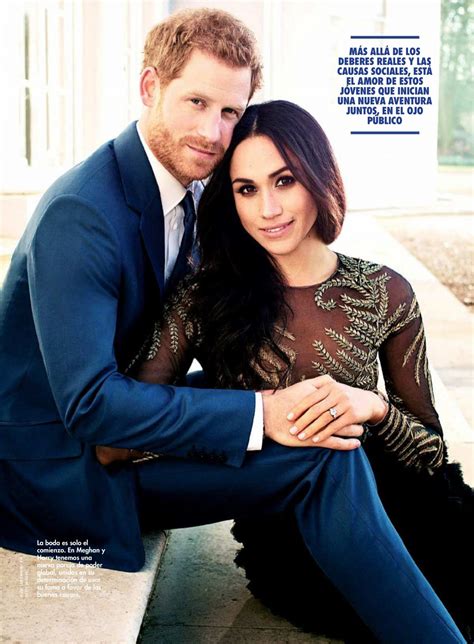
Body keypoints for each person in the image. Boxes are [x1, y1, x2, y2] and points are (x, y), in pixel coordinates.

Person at [99, 100, 471, 642]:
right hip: (292, 534)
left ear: (318, 178)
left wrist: (374, 408)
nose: (268, 208)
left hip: (406, 509)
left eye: (284, 180)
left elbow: (431, 451)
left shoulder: (385, 292)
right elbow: (126, 429)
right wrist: (244, 421)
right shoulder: (204, 298)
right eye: (246, 189)